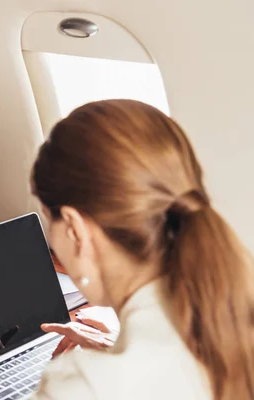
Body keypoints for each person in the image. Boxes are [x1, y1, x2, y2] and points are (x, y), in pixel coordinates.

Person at [30, 99, 254, 400]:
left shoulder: (83, 386)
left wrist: (105, 370)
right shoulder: (231, 318)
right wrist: (120, 350)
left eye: (48, 220)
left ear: (74, 227)